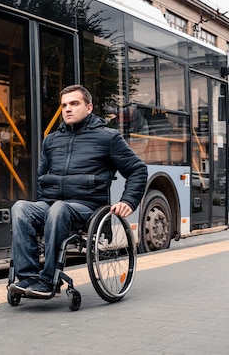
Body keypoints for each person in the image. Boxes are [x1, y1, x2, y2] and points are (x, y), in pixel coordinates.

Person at [8, 85, 148, 297]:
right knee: (20, 208)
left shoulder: (108, 138)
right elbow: (42, 178)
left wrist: (128, 201)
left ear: (89, 107)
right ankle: (28, 278)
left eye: (74, 104)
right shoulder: (52, 140)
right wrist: (41, 202)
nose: (68, 109)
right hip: (52, 204)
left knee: (59, 209)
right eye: (64, 105)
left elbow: (137, 169)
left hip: (87, 207)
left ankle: (48, 281)